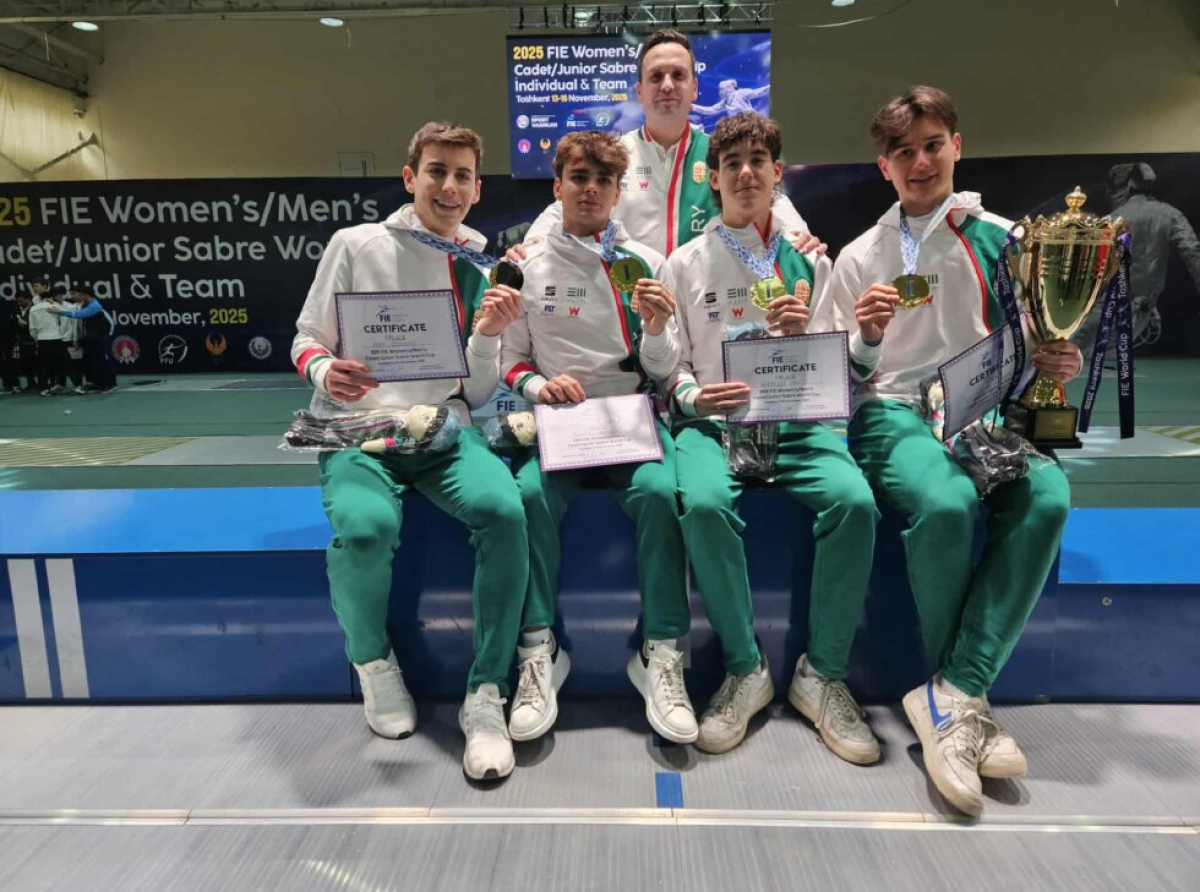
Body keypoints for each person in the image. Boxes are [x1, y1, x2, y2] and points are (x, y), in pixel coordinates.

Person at [825, 86, 1083, 816]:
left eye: (932, 145)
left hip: (982, 412)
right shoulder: (861, 255)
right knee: (945, 503)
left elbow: (1037, 338)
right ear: (883, 166)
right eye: (903, 152)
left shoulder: (1006, 240)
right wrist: (866, 338)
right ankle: (962, 707)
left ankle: (955, 692)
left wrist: (1055, 360)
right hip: (891, 413)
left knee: (1049, 496)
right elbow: (832, 377)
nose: (920, 162)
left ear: (957, 148)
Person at [290, 121, 528, 781]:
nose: (448, 186)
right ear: (409, 178)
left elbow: (475, 390)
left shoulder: (481, 264)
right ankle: (373, 662)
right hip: (360, 430)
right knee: (367, 527)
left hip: (445, 433)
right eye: (436, 171)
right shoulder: (356, 244)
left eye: (462, 176)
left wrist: (488, 335)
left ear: (477, 191)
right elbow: (308, 337)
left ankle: (487, 692)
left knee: (505, 512)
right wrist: (324, 372)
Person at [663, 112, 880, 757]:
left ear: (777, 173)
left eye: (757, 161)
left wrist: (806, 340)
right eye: (731, 164)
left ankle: (823, 676)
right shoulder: (682, 263)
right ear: (712, 178)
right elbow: (668, 366)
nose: (745, 173)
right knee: (703, 504)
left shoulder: (813, 260)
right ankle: (745, 669)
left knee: (855, 502)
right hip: (713, 426)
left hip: (797, 424)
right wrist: (693, 396)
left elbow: (848, 368)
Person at [499, 131, 697, 745]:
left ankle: (660, 651)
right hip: (559, 425)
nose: (591, 190)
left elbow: (665, 368)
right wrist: (541, 387)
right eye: (579, 178)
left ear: (617, 192)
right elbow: (510, 359)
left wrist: (657, 328)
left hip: (630, 419)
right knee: (528, 497)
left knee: (662, 494)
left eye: (603, 181)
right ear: (557, 186)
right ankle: (539, 650)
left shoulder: (647, 263)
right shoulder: (526, 264)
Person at [519, 29, 818, 260]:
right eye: (655, 76)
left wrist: (798, 236)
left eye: (678, 75)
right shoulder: (613, 156)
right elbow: (564, 209)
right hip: (631, 303)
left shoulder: (722, 155)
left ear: (694, 88)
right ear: (639, 90)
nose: (667, 85)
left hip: (706, 299)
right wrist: (530, 246)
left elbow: (769, 198)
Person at [1076, 162, 1200, 352]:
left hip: (1104, 312)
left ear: (1121, 188)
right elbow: (1193, 253)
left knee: (1072, 355)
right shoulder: (1171, 214)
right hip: (1141, 312)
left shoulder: (1110, 220)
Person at [50, 284, 117, 393]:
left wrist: (59, 312)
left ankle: (108, 385)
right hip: (91, 339)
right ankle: (98, 384)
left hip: (100, 339)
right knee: (94, 363)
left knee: (102, 362)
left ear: (87, 295)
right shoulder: (86, 304)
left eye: (81, 295)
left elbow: (79, 315)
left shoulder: (95, 306)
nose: (80, 298)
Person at [28, 285, 67, 396]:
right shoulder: (55, 305)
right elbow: (65, 316)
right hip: (56, 339)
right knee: (63, 363)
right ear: (50, 297)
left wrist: (37, 340)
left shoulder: (32, 309)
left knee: (43, 366)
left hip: (42, 340)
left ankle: (44, 389)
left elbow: (32, 330)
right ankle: (66, 385)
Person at [691, 78, 770, 119]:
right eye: (720, 89)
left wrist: (770, 87)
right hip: (737, 126)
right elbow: (711, 110)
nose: (720, 92)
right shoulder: (725, 102)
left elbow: (758, 92)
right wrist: (693, 107)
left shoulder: (741, 93)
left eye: (722, 89)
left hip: (751, 122)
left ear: (728, 88)